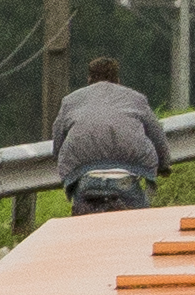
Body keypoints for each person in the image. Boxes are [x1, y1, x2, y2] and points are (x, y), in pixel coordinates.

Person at [53, 56, 167, 214]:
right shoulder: (136, 99)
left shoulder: (70, 101)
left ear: (89, 79)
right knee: (141, 224)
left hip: (86, 179)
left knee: (79, 228)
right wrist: (164, 165)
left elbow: (58, 139)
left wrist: (60, 158)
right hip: (125, 179)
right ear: (118, 80)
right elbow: (157, 136)